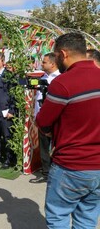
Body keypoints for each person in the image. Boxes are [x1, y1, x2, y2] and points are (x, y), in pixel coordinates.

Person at [36, 33, 100, 228]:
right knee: (87, 219)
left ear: (63, 54)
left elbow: (43, 121)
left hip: (71, 164)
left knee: (58, 217)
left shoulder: (63, 83)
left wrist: (51, 130)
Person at [29, 53, 59, 184]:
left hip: (55, 120)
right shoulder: (43, 77)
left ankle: (57, 173)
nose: (41, 64)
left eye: (44, 62)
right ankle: (46, 173)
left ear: (52, 64)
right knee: (44, 146)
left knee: (56, 147)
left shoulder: (60, 78)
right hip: (41, 118)